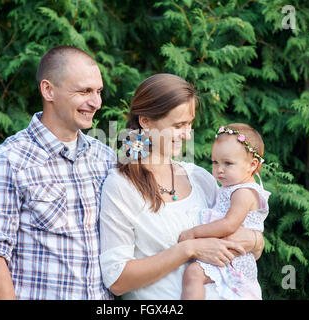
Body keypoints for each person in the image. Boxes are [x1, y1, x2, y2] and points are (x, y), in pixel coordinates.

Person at [99, 74, 265, 299]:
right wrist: (189, 249)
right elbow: (117, 280)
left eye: (189, 124)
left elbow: (240, 246)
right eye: (178, 125)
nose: (187, 134)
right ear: (145, 121)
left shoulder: (200, 178)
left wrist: (256, 240)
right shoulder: (121, 185)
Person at [0, 46, 117, 299]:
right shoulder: (7, 162)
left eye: (98, 91)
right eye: (84, 91)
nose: (96, 102)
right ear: (48, 90)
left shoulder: (105, 159)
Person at [179, 123, 271, 300]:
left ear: (252, 165)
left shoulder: (243, 192)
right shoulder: (230, 187)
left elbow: (229, 225)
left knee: (193, 274)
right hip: (226, 250)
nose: (219, 169)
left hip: (234, 257)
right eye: (215, 162)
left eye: (228, 163)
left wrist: (194, 233)